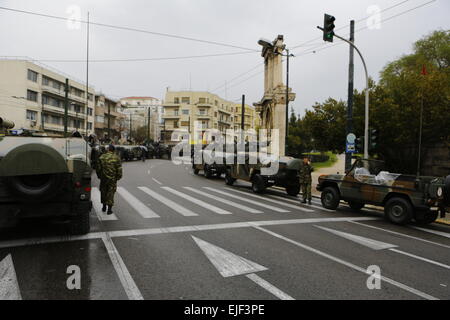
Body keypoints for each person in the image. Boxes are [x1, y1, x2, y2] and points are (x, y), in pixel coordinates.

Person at [96, 144, 122, 215]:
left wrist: (99, 176)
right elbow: (119, 169)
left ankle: (104, 206)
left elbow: (98, 168)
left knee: (103, 191)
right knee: (111, 192)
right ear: (114, 150)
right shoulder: (116, 158)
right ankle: (109, 210)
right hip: (112, 179)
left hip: (103, 178)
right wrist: (118, 177)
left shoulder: (102, 157)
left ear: (108, 150)